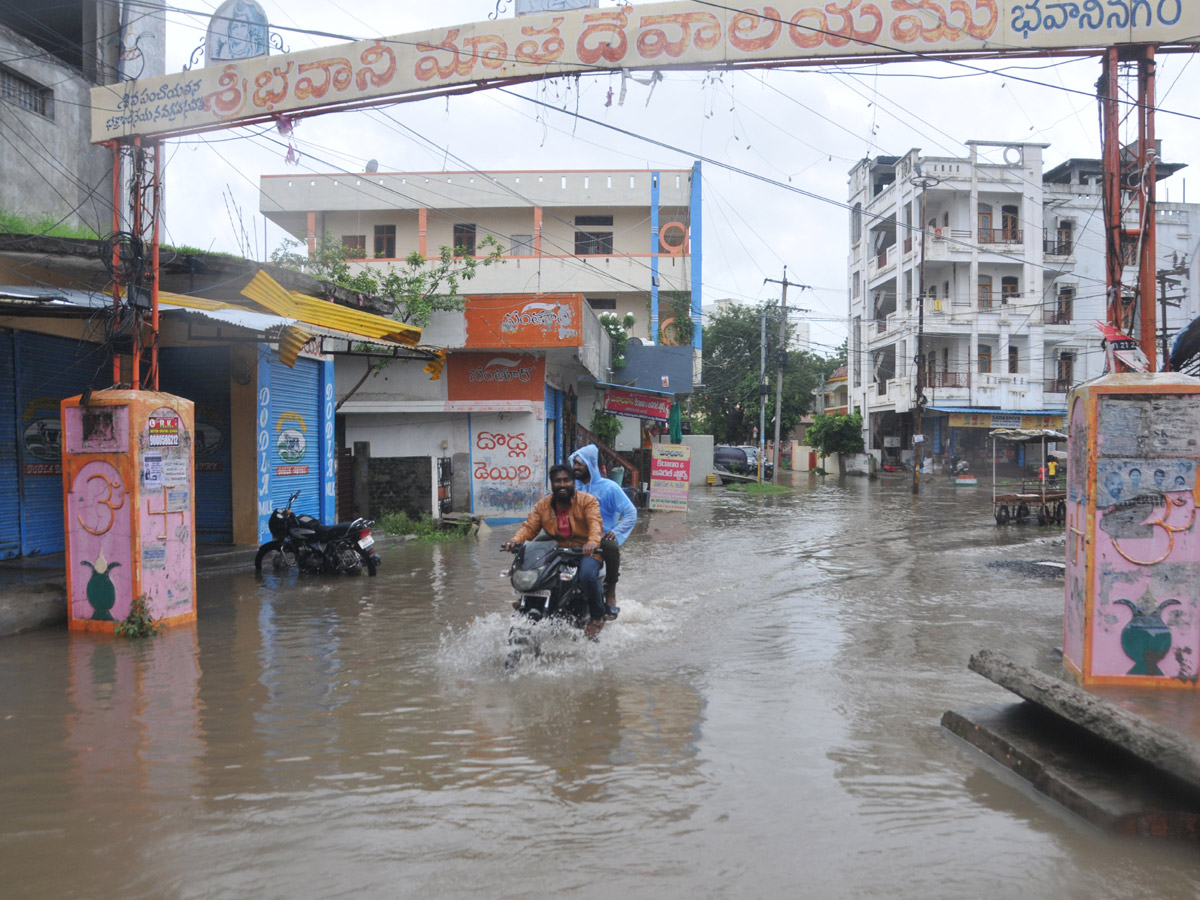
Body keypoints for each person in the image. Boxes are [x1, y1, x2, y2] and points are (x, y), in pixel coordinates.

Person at [504, 464, 608, 638]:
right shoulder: (543, 505)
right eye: (557, 481)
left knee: (587, 576)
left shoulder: (587, 501)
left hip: (584, 551)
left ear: (572, 482)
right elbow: (530, 526)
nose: (562, 484)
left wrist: (591, 543)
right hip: (557, 551)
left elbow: (595, 524)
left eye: (566, 480)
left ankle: (597, 617)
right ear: (551, 484)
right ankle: (534, 603)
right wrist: (515, 540)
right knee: (537, 574)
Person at [569, 444, 638, 619]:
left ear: (590, 465)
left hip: (600, 538)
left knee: (611, 546)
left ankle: (610, 592)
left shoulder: (609, 488)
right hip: (574, 537)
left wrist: (616, 531)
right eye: (574, 463)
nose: (575, 467)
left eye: (580, 464)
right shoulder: (571, 487)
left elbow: (630, 513)